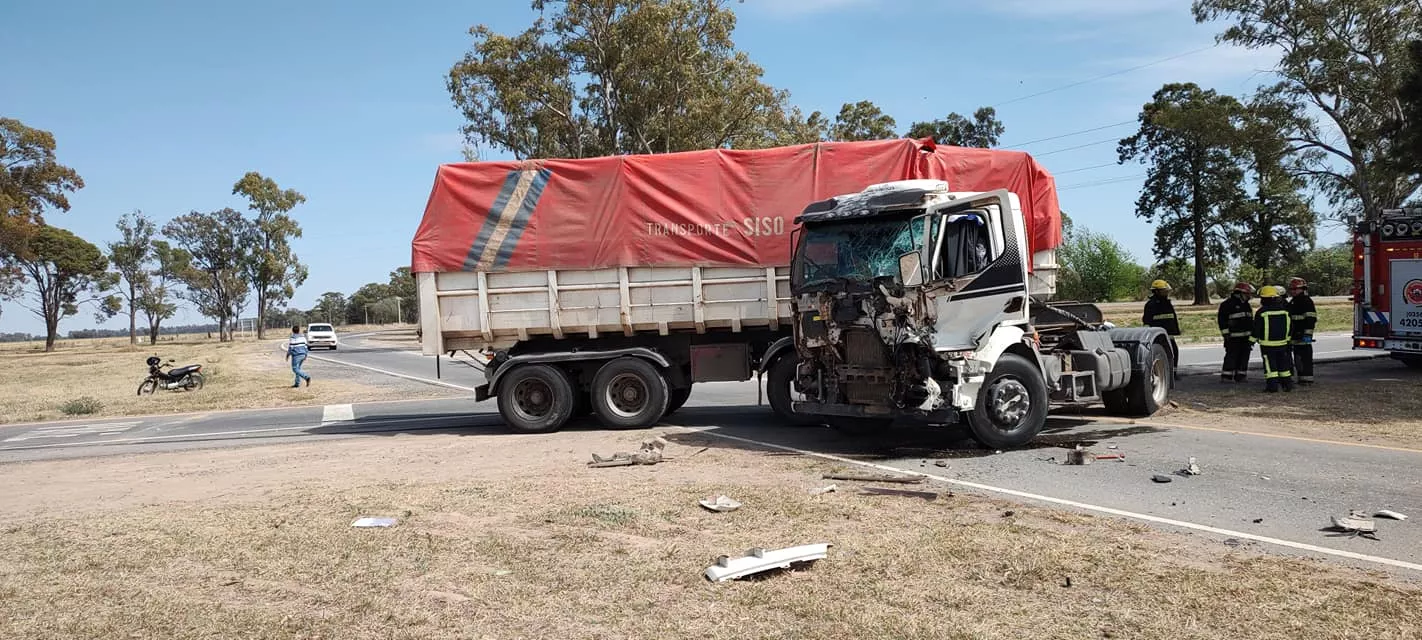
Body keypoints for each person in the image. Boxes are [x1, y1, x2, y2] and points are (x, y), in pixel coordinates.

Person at [1251, 286, 1294, 393]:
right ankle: (1287, 385)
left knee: (1270, 367)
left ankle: (1272, 387)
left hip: (1267, 345)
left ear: (1264, 299)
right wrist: (1288, 339)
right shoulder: (1284, 311)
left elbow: (1256, 329)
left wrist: (1250, 341)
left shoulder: (1261, 312)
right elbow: (1290, 327)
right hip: (1283, 344)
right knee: (1284, 365)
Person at [1216, 282, 1255, 382]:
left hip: (1246, 338)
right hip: (1233, 337)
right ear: (1240, 293)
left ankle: (1241, 376)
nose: (1249, 296)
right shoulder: (1227, 305)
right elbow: (1222, 321)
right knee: (1231, 356)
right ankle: (1226, 376)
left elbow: (1250, 322)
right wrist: (1226, 334)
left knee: (1244, 357)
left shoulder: (1246, 305)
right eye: (1248, 294)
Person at [1143, 279, 1181, 380]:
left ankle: (1173, 374)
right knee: (1160, 355)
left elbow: (1171, 318)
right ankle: (1163, 374)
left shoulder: (1167, 303)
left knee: (1174, 353)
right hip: (1158, 336)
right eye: (1164, 290)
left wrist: (1175, 330)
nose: (1166, 292)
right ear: (1157, 291)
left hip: (1169, 335)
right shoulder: (1151, 305)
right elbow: (1146, 321)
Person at [1287, 276, 1317, 385]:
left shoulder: (1306, 301)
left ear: (1303, 289)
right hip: (1295, 335)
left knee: (1305, 358)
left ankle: (1307, 379)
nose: (1293, 291)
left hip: (1303, 335)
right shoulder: (1293, 302)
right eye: (1291, 289)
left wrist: (1307, 335)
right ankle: (1302, 378)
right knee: (1298, 358)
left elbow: (1311, 319)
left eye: (1295, 289)